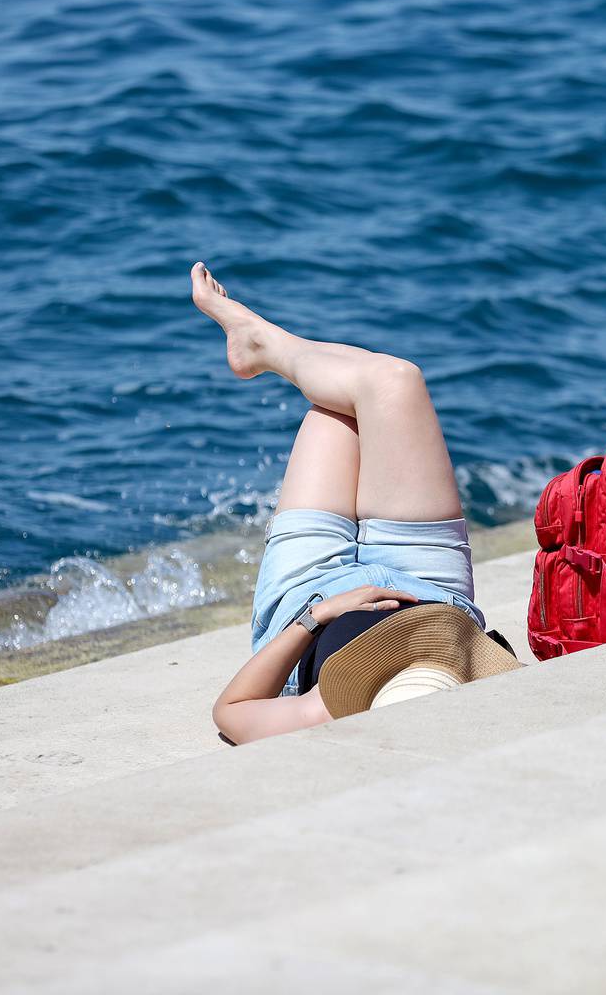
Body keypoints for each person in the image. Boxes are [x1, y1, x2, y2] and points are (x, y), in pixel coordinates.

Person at [191, 263, 519, 745]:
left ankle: (259, 341)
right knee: (395, 381)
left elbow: (231, 712)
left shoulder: (328, 710)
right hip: (433, 590)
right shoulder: (453, 690)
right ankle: (260, 340)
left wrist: (317, 616)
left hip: (313, 591)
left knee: (337, 413)